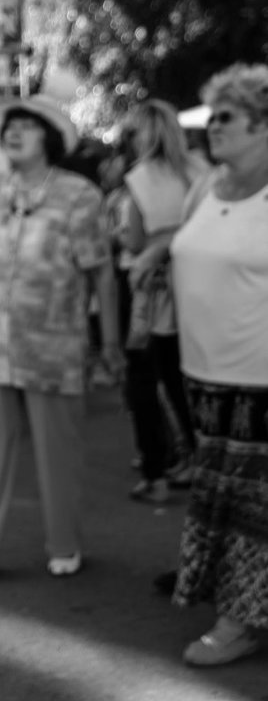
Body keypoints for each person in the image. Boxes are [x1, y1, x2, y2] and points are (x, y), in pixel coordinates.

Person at [0, 96, 123, 586]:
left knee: (59, 454)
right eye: (10, 126)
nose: (15, 133)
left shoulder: (79, 194)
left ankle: (64, 545)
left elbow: (102, 275)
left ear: (50, 139)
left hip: (54, 345)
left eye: (28, 126)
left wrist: (109, 345)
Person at [165, 62, 268, 666]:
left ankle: (240, 621)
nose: (212, 127)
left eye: (225, 116)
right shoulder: (208, 185)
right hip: (204, 377)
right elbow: (190, 245)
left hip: (260, 382)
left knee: (252, 509)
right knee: (223, 501)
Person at [117, 100, 204, 503]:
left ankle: (156, 472)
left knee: (143, 382)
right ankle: (198, 460)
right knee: (188, 380)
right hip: (198, 287)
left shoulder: (139, 178)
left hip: (149, 291)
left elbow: (134, 241)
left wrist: (126, 238)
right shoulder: (200, 172)